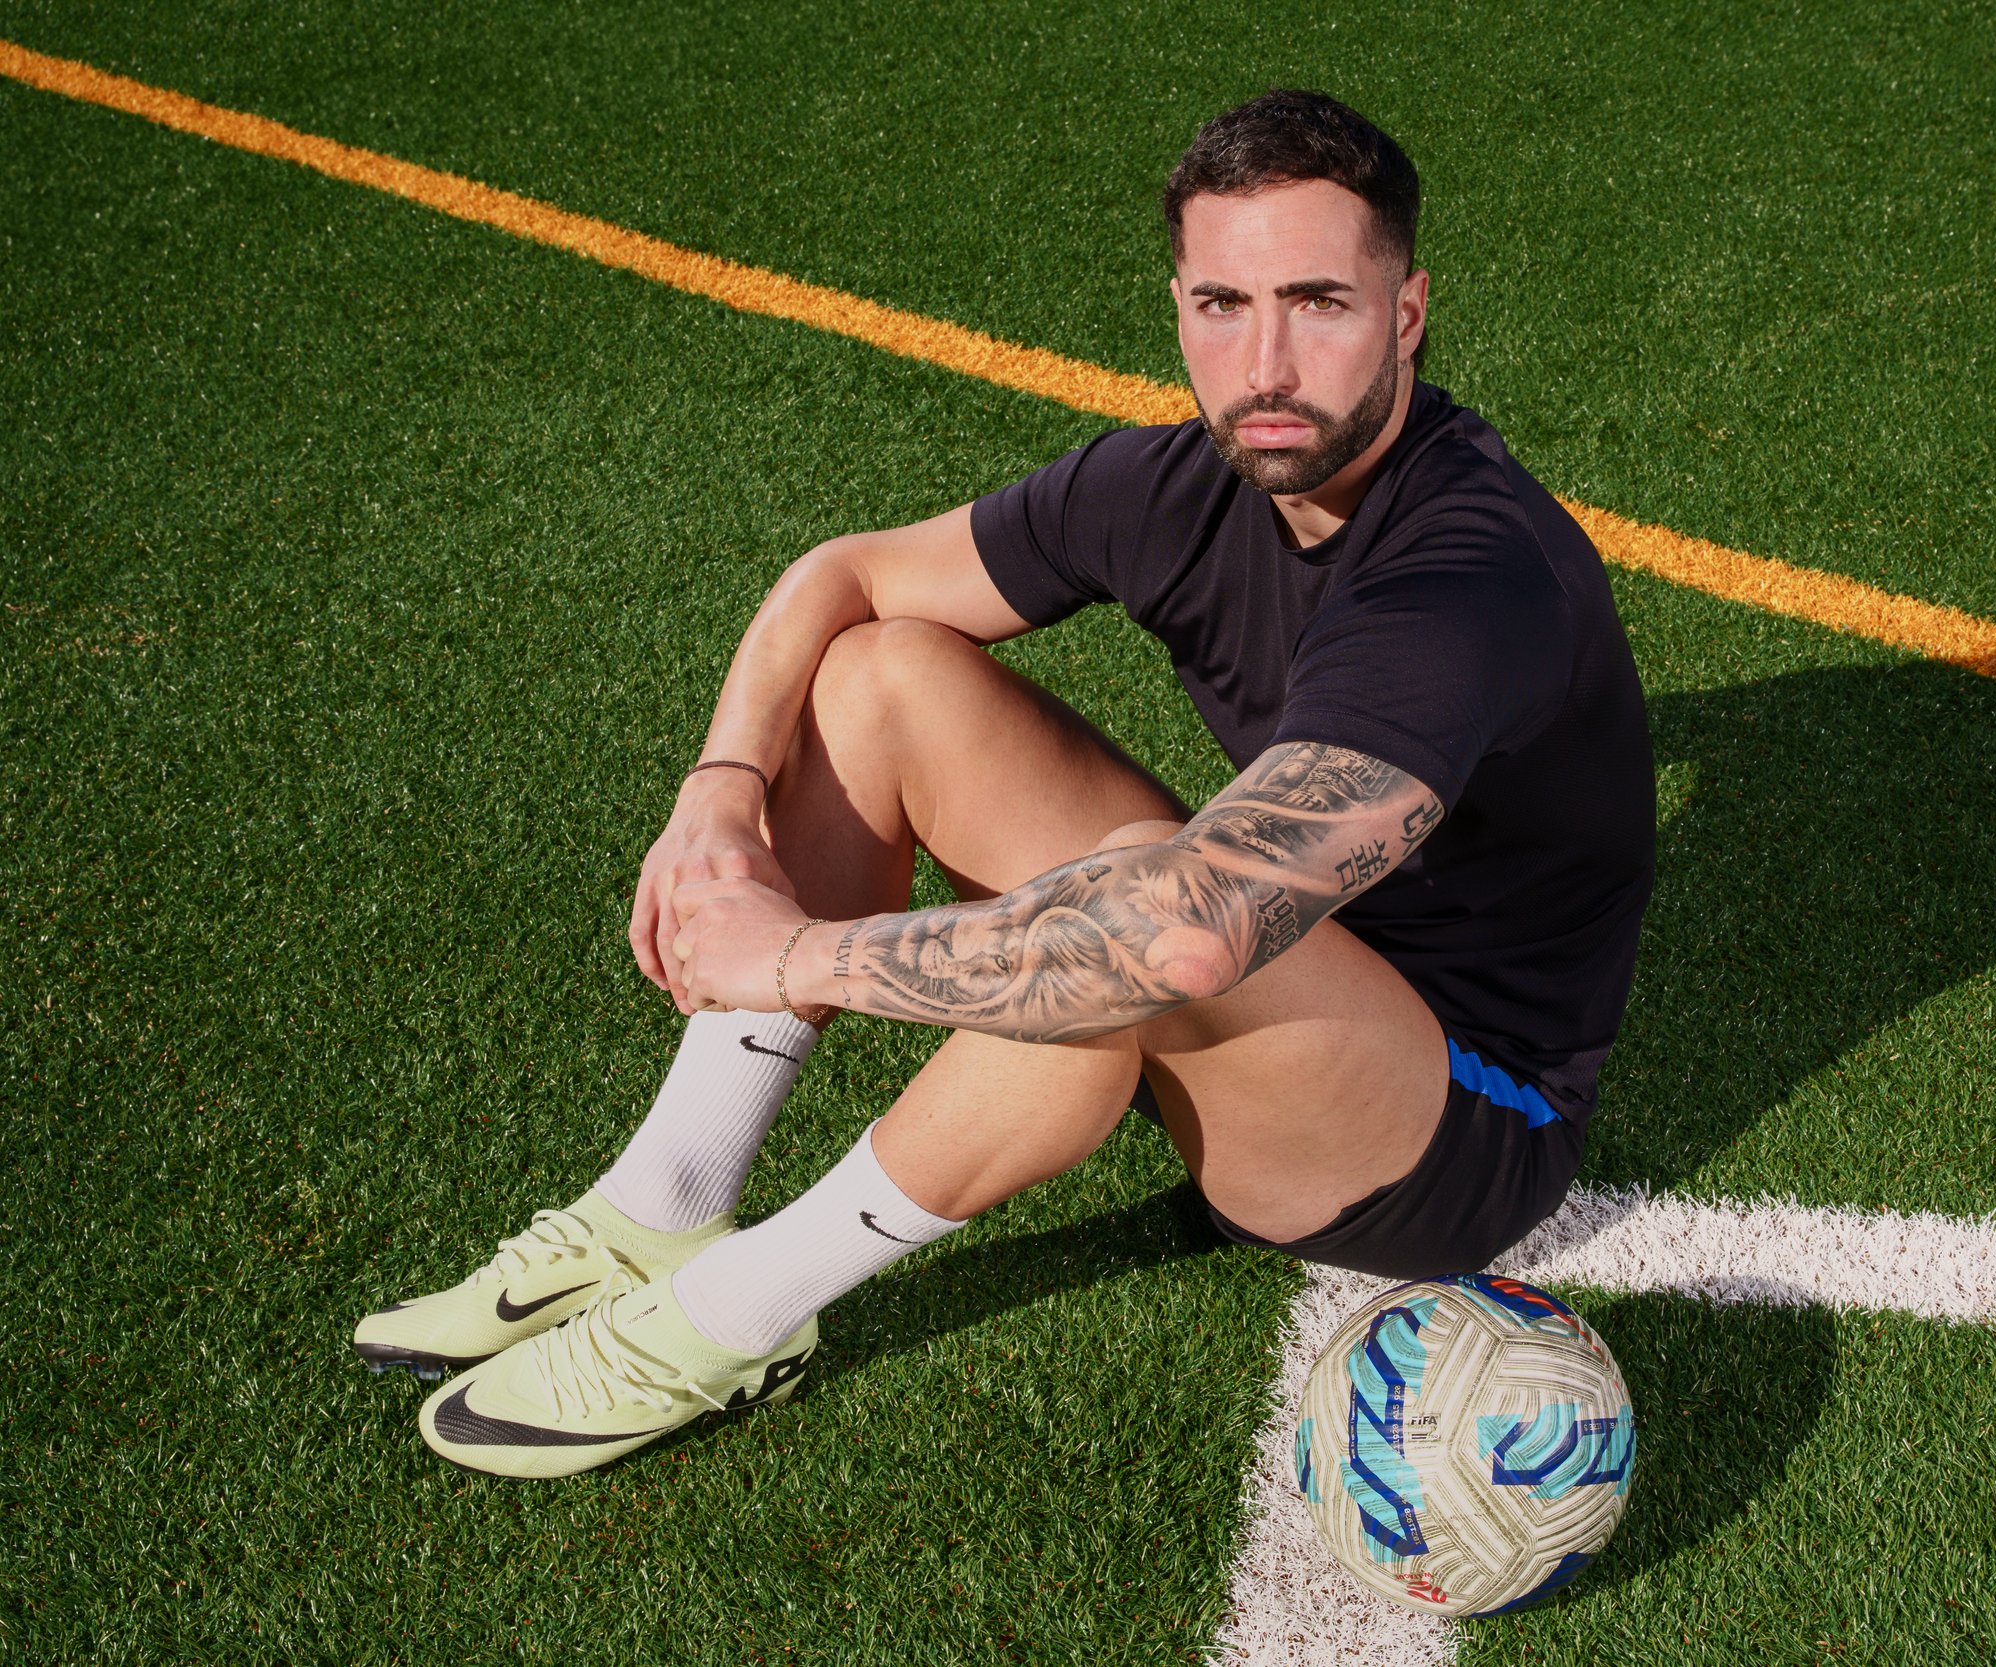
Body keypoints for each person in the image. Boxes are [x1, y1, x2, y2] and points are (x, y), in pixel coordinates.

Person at [356, 89, 1654, 1478]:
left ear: (1405, 316)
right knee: (885, 675)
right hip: (1254, 987)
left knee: (1119, 936)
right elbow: (840, 577)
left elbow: (1190, 929)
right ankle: (663, 1198)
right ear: (1179, 309)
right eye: (1224, 304)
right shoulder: (1174, 486)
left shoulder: (1465, 578)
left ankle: (727, 1319)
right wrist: (721, 788)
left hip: (1439, 1127)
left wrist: (799, 954)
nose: (1265, 361)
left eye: (1319, 303)